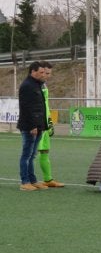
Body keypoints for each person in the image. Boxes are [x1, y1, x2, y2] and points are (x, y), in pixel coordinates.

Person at [17, 61, 49, 191]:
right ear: (33, 72)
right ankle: (25, 182)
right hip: (30, 127)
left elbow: (39, 107)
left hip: (38, 125)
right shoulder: (27, 86)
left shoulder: (37, 85)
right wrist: (33, 126)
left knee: (32, 155)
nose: (43, 74)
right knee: (27, 154)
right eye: (41, 72)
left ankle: (33, 180)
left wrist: (42, 125)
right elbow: (27, 108)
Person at [37, 60, 65, 188]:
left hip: (45, 121)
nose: (48, 75)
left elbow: (45, 105)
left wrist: (49, 121)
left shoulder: (43, 85)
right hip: (39, 122)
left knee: (45, 150)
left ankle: (48, 179)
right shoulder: (34, 85)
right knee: (32, 152)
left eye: (49, 73)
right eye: (46, 73)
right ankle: (27, 180)